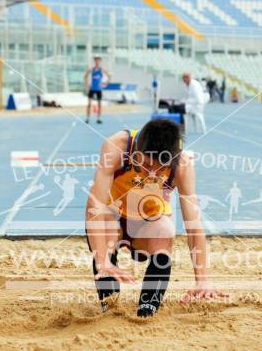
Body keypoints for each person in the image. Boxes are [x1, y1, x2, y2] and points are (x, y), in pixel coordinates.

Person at [86, 119, 227, 318]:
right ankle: (109, 307)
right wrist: (102, 260)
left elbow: (194, 226)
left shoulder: (182, 166)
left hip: (147, 224)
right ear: (136, 149)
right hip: (113, 219)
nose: (151, 173)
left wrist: (202, 279)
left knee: (165, 230)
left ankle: (147, 310)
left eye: (160, 169)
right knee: (107, 226)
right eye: (144, 164)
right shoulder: (117, 146)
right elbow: (94, 208)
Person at [84, 56, 110, 124]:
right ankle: (87, 118)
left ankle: (99, 118)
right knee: (89, 104)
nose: (97, 62)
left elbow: (109, 76)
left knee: (99, 104)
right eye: (96, 60)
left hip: (99, 89)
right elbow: (85, 76)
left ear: (100, 61)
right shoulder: (92, 69)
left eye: (98, 60)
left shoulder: (102, 69)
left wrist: (106, 83)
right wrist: (87, 84)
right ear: (94, 61)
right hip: (92, 89)